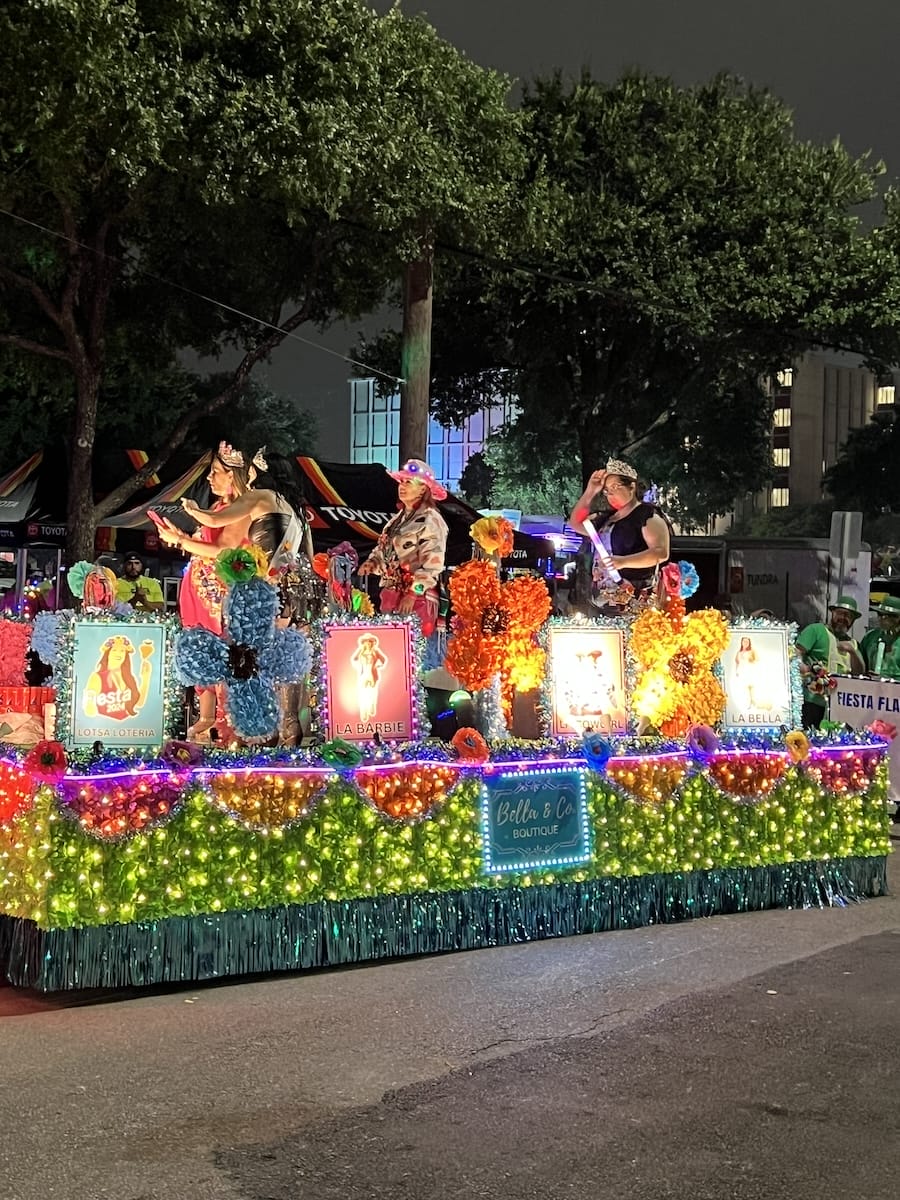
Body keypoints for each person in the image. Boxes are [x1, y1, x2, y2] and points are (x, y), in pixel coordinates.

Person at [357, 459, 449, 637]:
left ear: (423, 489)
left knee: (412, 651)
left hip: (418, 598)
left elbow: (433, 567)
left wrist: (414, 593)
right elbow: (384, 549)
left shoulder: (431, 519)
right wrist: (373, 563)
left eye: (409, 482)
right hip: (392, 593)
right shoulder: (397, 520)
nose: (402, 486)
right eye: (401, 482)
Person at [568, 458, 670, 610]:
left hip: (634, 598)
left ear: (632, 486)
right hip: (602, 599)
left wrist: (623, 561)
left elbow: (661, 553)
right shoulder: (606, 519)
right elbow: (576, 523)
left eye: (615, 487)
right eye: (607, 491)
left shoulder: (646, 515)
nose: (611, 494)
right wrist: (590, 491)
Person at [796, 596, 866, 728]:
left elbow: (859, 673)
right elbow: (796, 652)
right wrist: (802, 666)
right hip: (812, 701)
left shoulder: (854, 644)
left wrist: (852, 652)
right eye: (840, 613)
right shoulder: (816, 630)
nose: (843, 618)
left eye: (848, 616)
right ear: (832, 613)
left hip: (840, 706)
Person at [83, 634, 155, 721]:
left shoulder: (129, 677)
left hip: (130, 727)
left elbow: (139, 703)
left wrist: (145, 678)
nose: (118, 654)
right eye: (114, 650)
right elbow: (89, 711)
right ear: (108, 654)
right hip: (104, 726)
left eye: (122, 651)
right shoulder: (97, 677)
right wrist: (90, 703)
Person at [860, 595, 900, 679]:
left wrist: (886, 679)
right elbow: (861, 666)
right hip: (870, 689)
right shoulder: (870, 637)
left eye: (889, 615)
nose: (883, 618)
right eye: (880, 614)